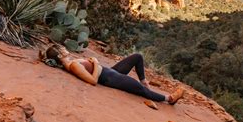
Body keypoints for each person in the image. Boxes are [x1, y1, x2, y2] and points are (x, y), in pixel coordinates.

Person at [41, 45, 184, 104]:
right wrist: (96, 63)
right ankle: (169, 98)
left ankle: (144, 81)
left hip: (110, 71)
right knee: (140, 90)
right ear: (60, 54)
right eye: (62, 48)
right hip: (109, 78)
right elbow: (92, 80)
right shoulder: (72, 65)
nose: (65, 48)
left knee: (137, 57)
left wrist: (96, 64)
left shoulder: (72, 62)